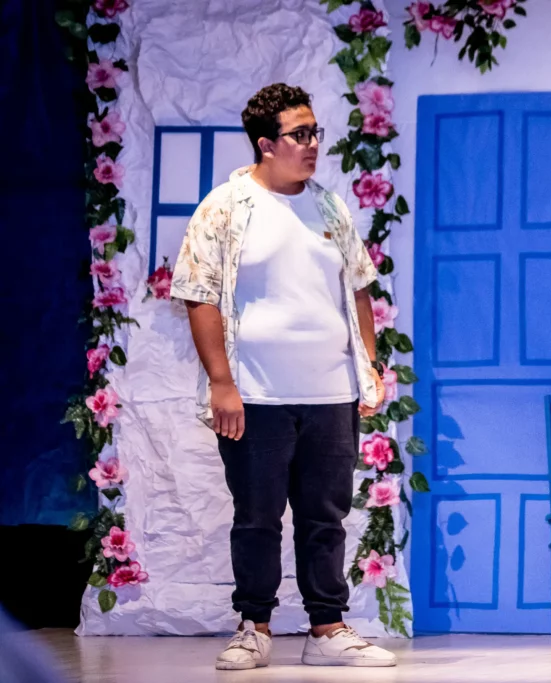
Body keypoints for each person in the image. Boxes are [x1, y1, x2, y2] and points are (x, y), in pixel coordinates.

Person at [171, 83, 395, 670]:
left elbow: (359, 288)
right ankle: (254, 627)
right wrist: (222, 383)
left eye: (315, 131)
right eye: (300, 134)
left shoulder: (330, 207)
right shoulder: (225, 207)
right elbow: (199, 296)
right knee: (257, 518)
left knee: (326, 517)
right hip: (256, 394)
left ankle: (327, 628)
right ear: (266, 144)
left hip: (331, 392)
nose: (313, 143)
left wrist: (369, 366)